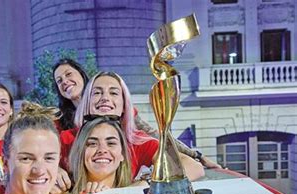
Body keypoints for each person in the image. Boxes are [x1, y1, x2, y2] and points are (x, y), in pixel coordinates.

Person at [52, 59, 221, 168]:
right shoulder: (63, 129)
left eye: (68, 74)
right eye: (59, 80)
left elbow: (157, 135)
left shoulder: (137, 142)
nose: (65, 81)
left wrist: (197, 155)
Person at [61, 71, 205, 182]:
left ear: (124, 104)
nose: (105, 98)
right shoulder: (66, 139)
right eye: (97, 92)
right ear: (86, 101)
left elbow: (193, 168)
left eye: (113, 93)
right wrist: (56, 171)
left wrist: (147, 183)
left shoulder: (138, 141)